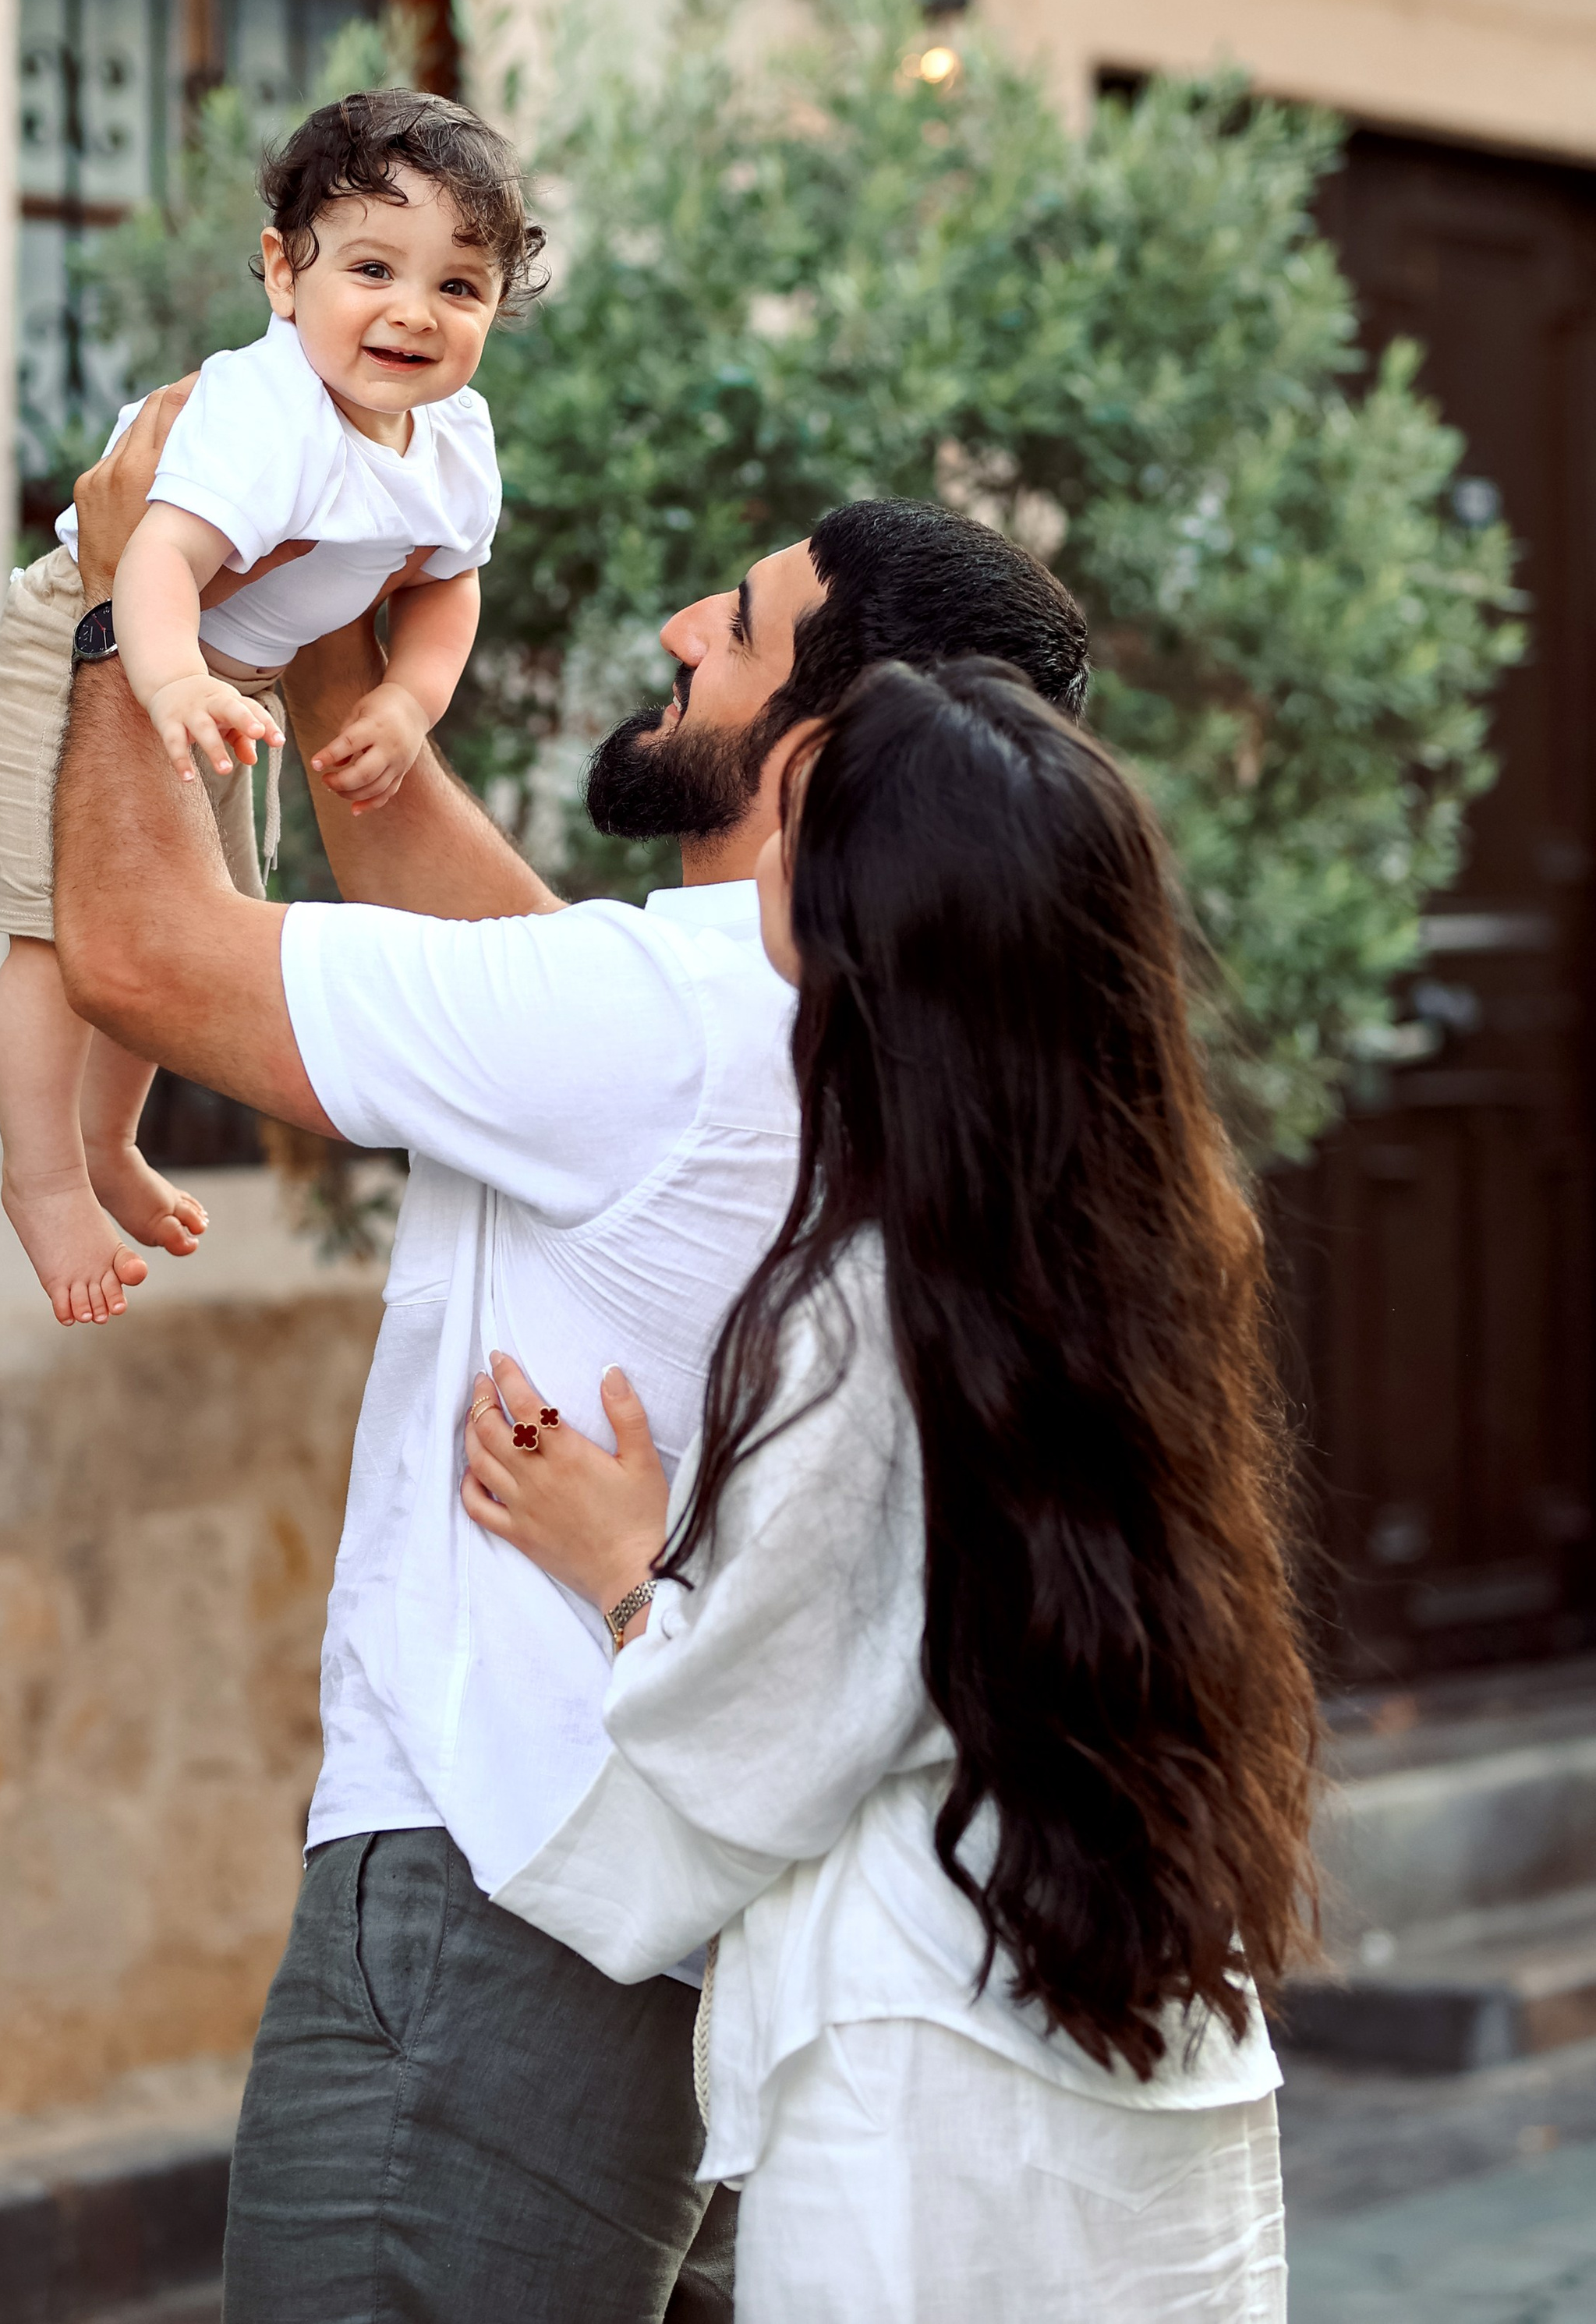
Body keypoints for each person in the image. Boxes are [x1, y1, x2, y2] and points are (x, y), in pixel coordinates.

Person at [51, 399, 1091, 2324]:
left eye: (751, 625)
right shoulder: (840, 1021)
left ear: (824, 744)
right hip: (680, 1914)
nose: (691, 621)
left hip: (493, 1891)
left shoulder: (674, 1020)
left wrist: (138, 605)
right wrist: (339, 559)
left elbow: (134, 951)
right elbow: (517, 986)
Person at [463, 659, 1318, 2323]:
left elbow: (759, 1741)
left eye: (790, 832)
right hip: (1157, 2024)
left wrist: (627, 1572)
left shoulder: (872, 1304)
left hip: (930, 2059)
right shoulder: (1162, 1250)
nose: (755, 862)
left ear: (870, 939)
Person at [0, 89, 538, 1326]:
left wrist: (408, 698)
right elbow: (154, 557)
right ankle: (44, 1177)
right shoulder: (261, 410)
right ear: (283, 272)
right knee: (58, 932)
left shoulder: (456, 439)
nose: (412, 311)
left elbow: (447, 585)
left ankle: (112, 1143)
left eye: (460, 286)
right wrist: (164, 680)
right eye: (373, 266)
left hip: (226, 690)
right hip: (82, 642)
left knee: (189, 932)